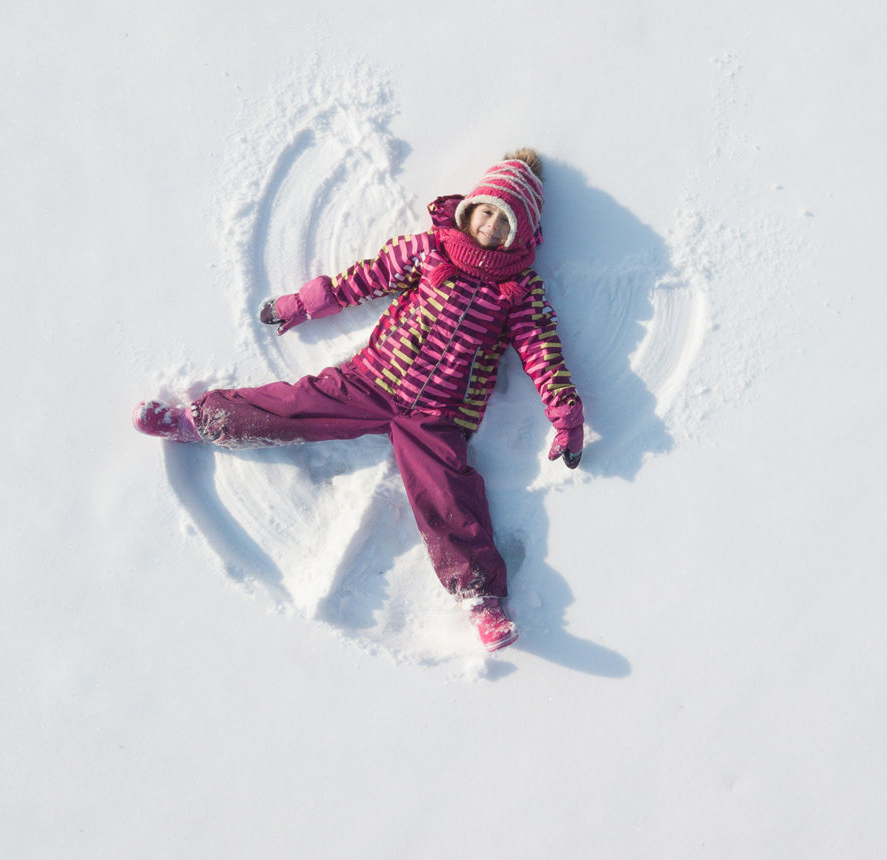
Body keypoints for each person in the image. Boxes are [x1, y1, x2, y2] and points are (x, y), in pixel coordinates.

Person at [133, 149, 583, 652]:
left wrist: (565, 415)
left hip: (438, 416)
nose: (491, 227)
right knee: (292, 406)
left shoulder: (517, 291)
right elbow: (365, 277)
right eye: (487, 212)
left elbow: (543, 351)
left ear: (521, 235)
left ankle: (480, 600)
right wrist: (302, 304)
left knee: (446, 497)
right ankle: (200, 422)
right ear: (469, 208)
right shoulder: (431, 249)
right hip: (373, 380)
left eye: (506, 223)